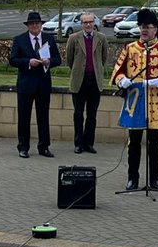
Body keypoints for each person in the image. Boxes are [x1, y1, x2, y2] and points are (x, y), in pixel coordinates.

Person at [111, 8, 158, 191]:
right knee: (133, 141)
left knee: (154, 142)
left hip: (156, 102)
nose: (144, 30)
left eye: (148, 27)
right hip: (135, 102)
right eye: (142, 26)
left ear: (155, 29)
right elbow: (117, 72)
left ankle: (154, 179)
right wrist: (122, 81)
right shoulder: (130, 48)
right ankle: (132, 178)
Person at [8, 11, 62, 158]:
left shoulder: (48, 39)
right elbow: (13, 60)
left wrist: (49, 62)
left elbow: (58, 59)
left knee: (43, 117)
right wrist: (28, 62)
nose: (35, 26)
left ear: (41, 25)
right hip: (26, 84)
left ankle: (44, 147)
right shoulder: (19, 40)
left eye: (37, 23)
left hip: (43, 84)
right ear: (28, 26)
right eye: (32, 24)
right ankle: (23, 147)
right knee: (24, 117)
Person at [64, 12, 108, 154]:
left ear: (94, 23)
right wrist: (78, 71)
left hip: (94, 81)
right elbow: (69, 59)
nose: (88, 25)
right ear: (81, 24)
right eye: (85, 22)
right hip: (79, 81)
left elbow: (103, 58)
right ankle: (78, 143)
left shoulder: (101, 38)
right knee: (78, 114)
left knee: (92, 114)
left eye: (90, 22)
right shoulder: (73, 38)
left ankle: (89, 143)